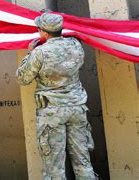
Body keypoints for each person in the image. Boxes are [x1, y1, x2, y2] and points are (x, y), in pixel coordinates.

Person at [16, 12, 96, 180]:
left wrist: (29, 53)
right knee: (83, 162)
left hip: (52, 112)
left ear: (44, 33)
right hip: (77, 108)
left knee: (54, 168)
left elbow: (22, 78)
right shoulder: (75, 45)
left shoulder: (40, 53)